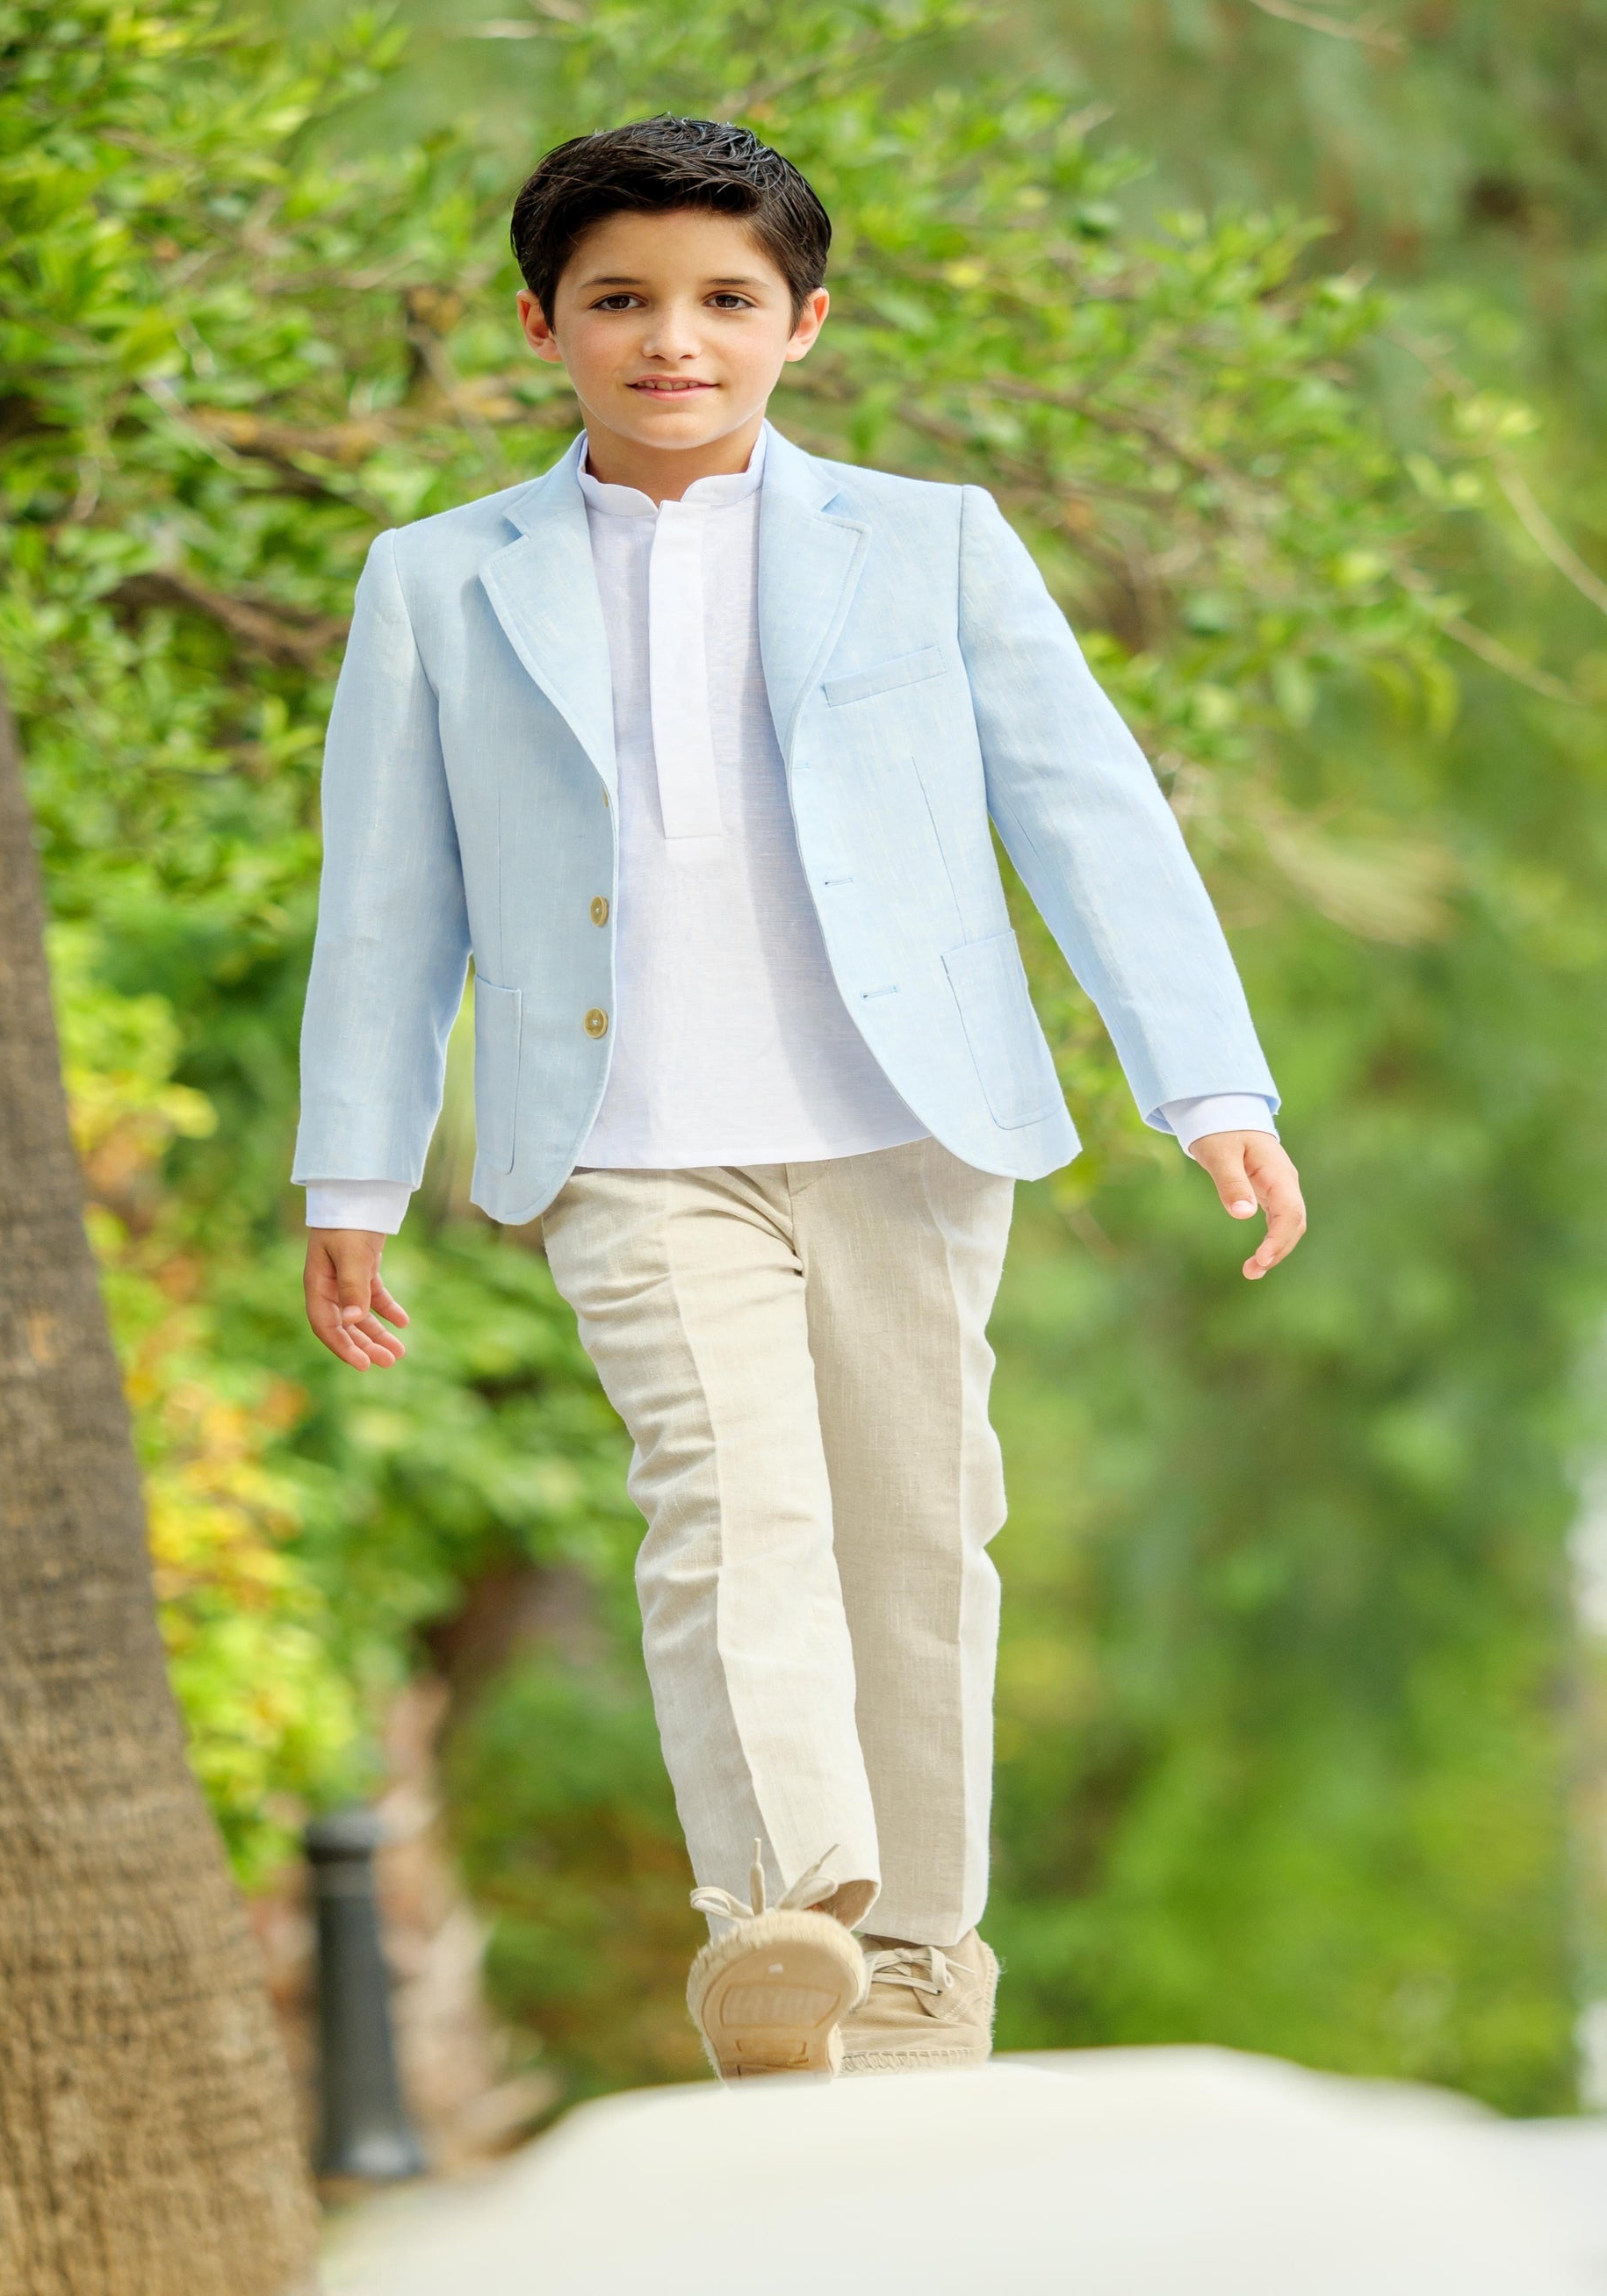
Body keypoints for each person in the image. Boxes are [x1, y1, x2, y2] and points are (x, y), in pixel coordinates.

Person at [292, 114, 1306, 2082]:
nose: (673, 338)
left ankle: (923, 1957)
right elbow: (388, 894)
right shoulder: (438, 581)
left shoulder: (928, 541)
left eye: (722, 301)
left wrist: (1210, 1086)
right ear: (542, 324)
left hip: (906, 1129)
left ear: (801, 325)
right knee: (723, 1508)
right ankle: (783, 1915)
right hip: (627, 1144)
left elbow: (1088, 813)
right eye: (621, 301)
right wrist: (351, 1167)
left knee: (914, 1536)